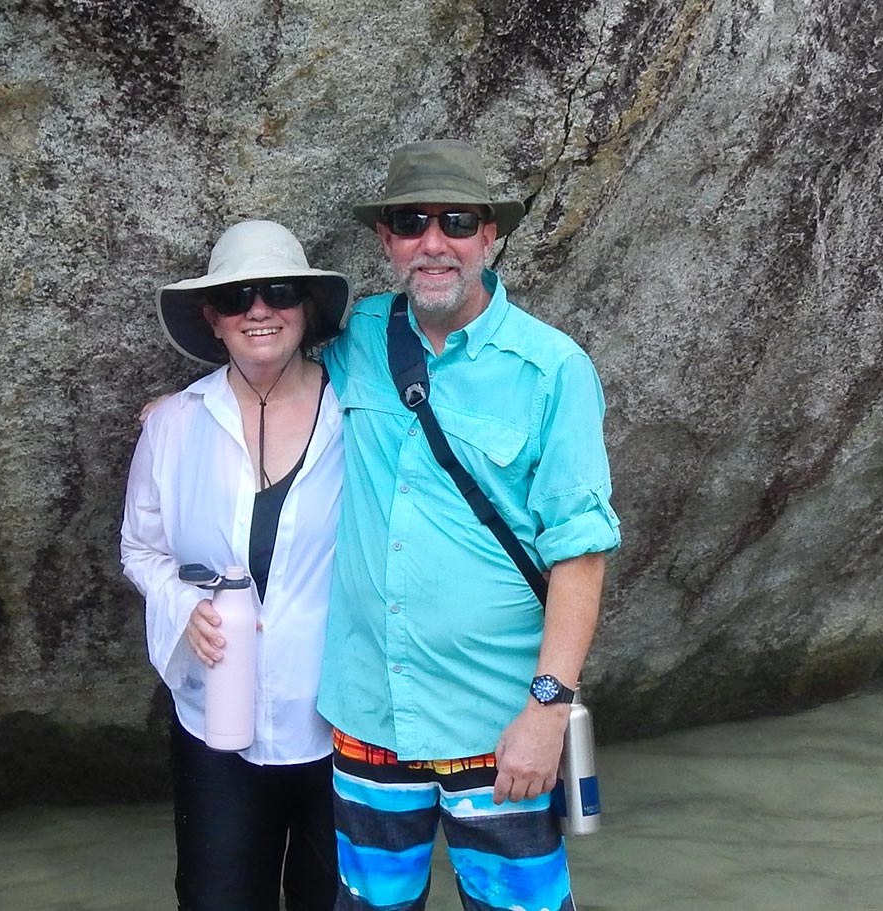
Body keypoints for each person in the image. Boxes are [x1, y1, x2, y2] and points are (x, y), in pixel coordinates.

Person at [317, 140, 621, 911]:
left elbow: (580, 555)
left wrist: (545, 712)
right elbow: (267, 370)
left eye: (456, 221)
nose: (433, 241)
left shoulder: (551, 368)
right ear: (386, 241)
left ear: (490, 237)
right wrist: (184, 409)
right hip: (370, 718)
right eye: (410, 222)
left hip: (500, 726)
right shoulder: (357, 339)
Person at [120, 220, 349, 911]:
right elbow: (140, 547)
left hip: (342, 718)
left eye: (278, 291)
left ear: (305, 310)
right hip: (215, 715)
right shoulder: (175, 424)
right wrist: (181, 606)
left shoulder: (362, 412)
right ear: (213, 319)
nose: (259, 309)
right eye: (238, 296)